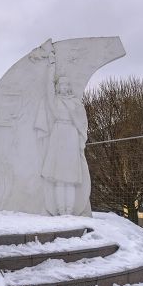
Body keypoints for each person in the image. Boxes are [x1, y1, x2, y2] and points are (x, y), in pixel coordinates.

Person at [39, 52, 88, 215]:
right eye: (62, 85)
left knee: (71, 179)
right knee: (59, 178)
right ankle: (61, 210)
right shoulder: (55, 101)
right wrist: (51, 67)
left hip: (71, 136)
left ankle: (69, 210)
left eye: (67, 85)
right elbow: (47, 90)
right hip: (58, 135)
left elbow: (82, 122)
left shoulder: (75, 103)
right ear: (58, 87)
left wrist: (81, 140)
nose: (65, 88)